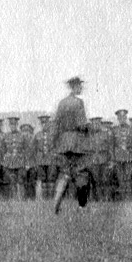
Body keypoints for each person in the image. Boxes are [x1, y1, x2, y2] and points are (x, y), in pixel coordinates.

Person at [51, 76, 91, 214]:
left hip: (63, 142)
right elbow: (81, 124)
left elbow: (56, 124)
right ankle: (82, 207)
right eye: (80, 86)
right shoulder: (78, 102)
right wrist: (89, 128)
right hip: (76, 142)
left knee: (64, 172)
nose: (81, 88)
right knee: (81, 173)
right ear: (75, 87)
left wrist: (56, 143)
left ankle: (57, 200)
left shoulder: (62, 103)